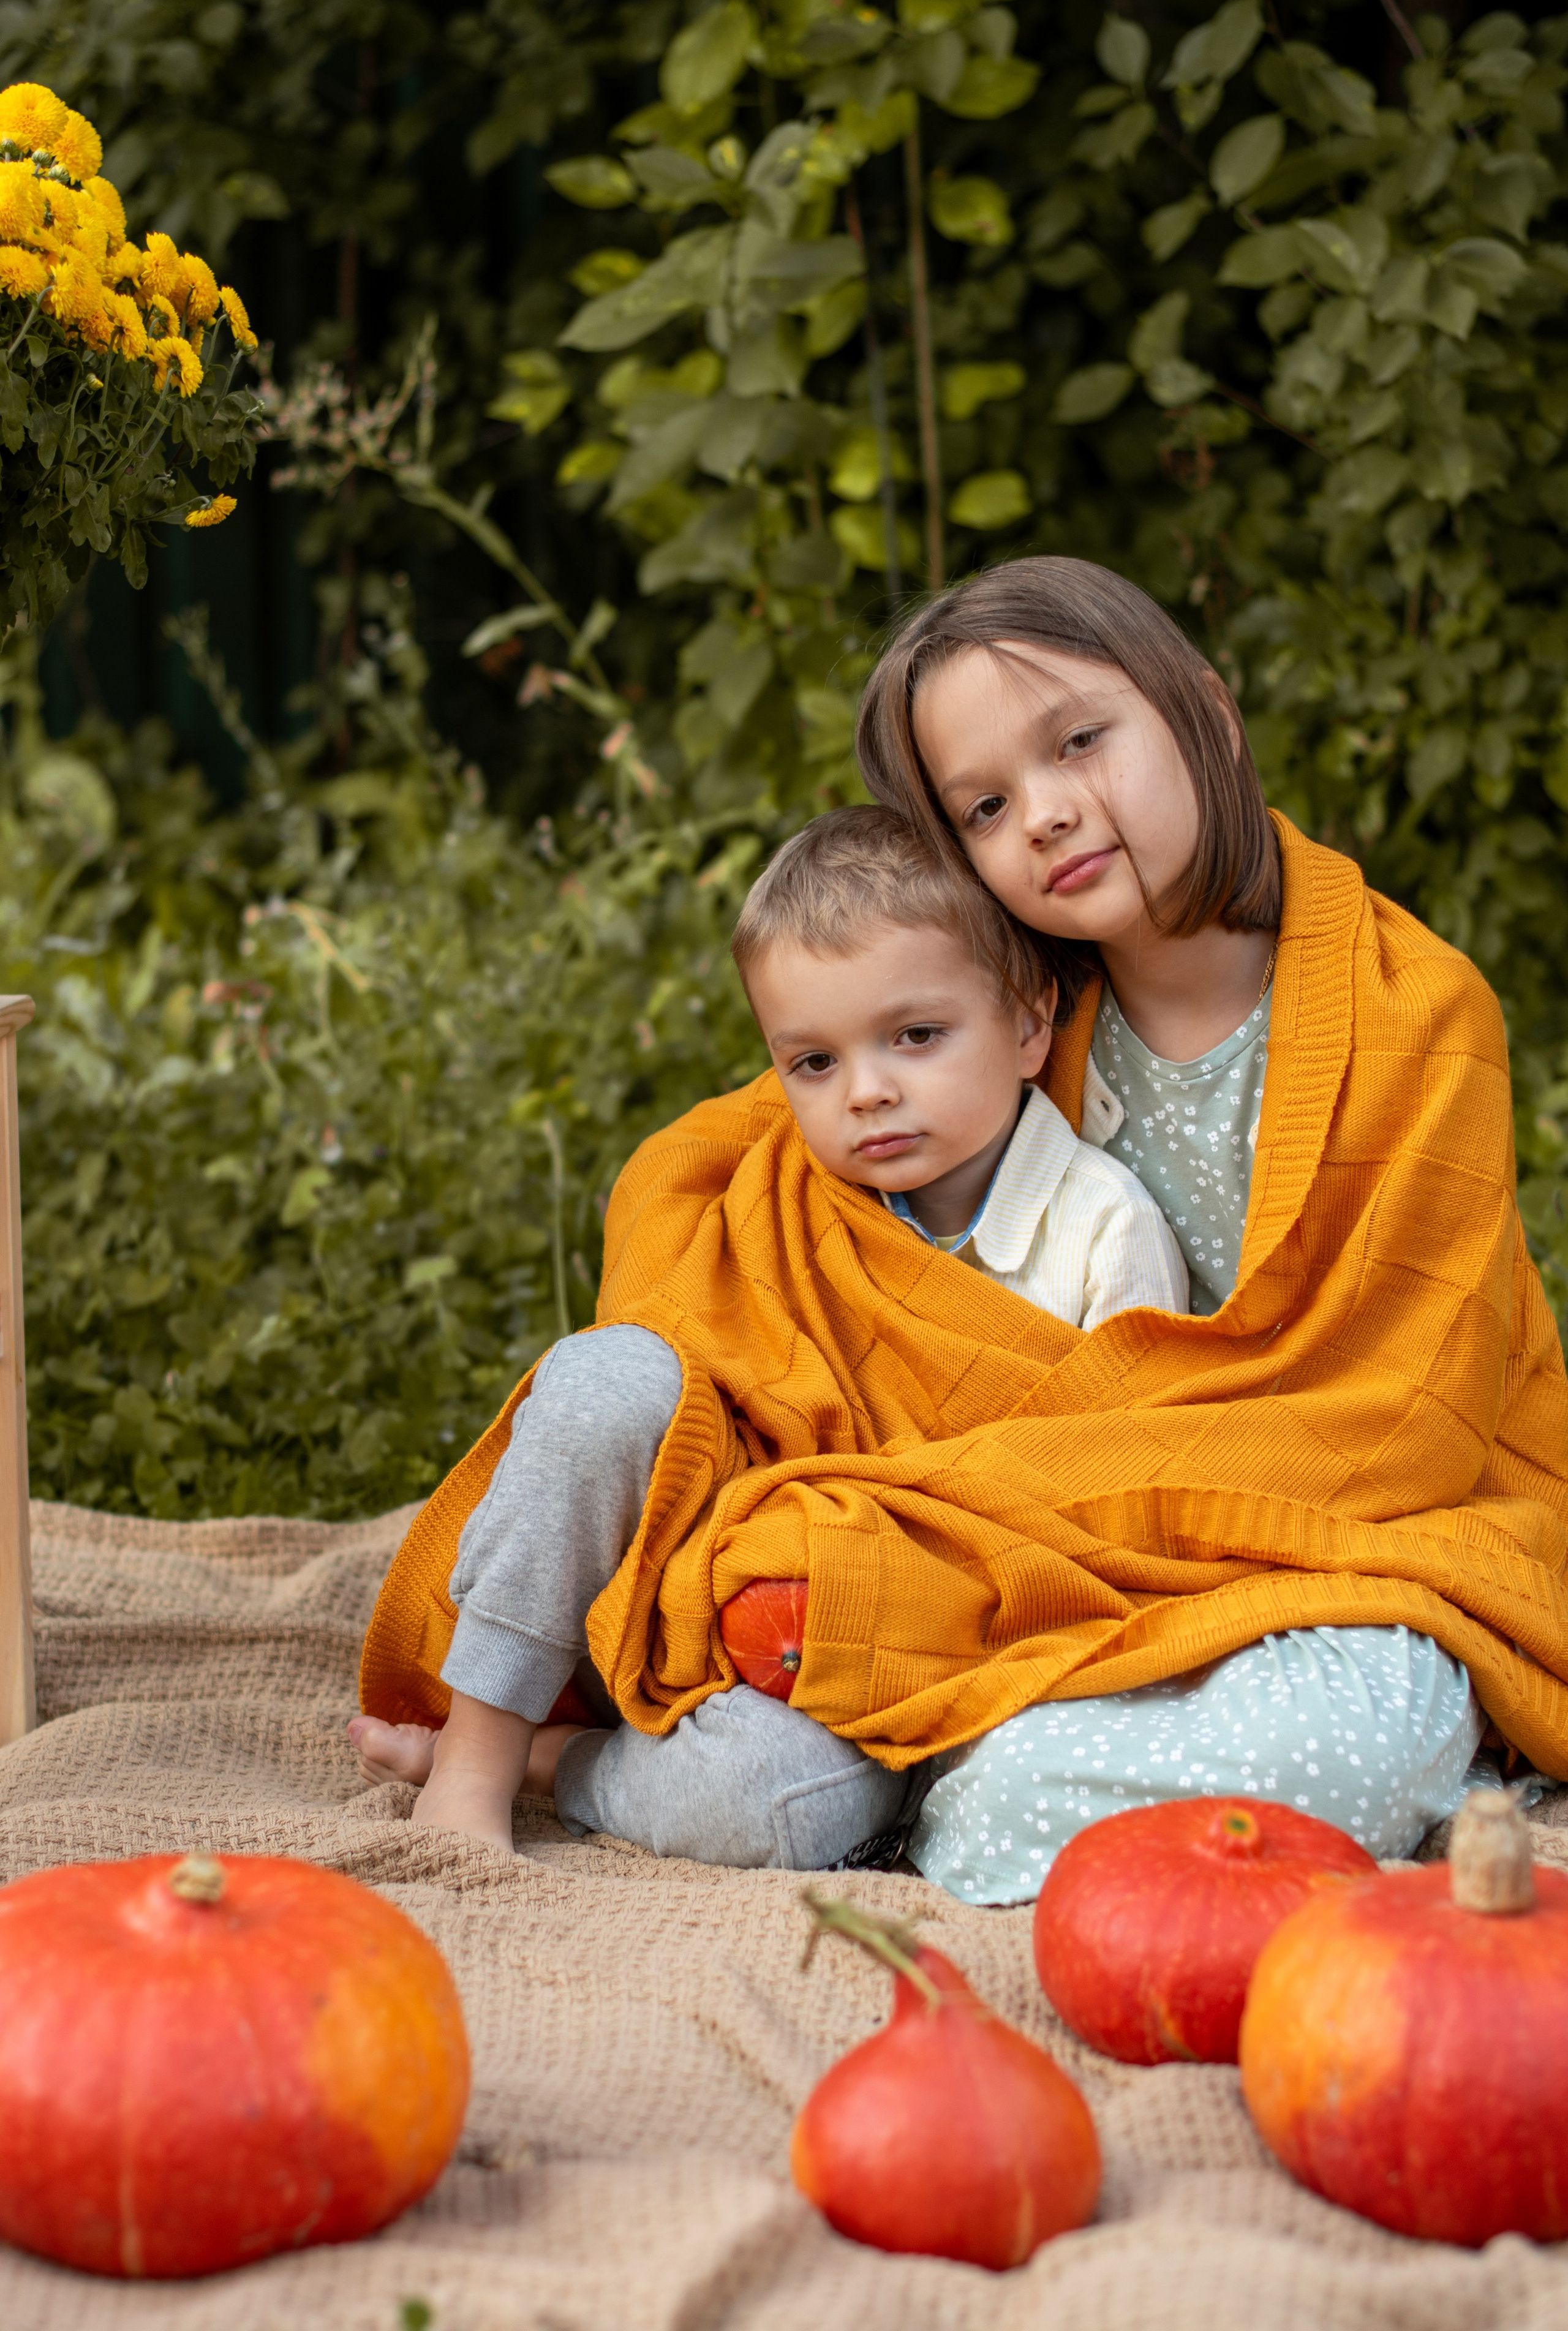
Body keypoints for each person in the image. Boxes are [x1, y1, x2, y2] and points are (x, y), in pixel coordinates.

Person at [852, 554, 1564, 1899]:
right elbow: (777, 1158)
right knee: (815, 1586)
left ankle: (970, 1770)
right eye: (988, 806)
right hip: (1096, 1551)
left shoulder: (1418, 1014)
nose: (1049, 815)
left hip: (1372, 1551)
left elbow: (1410, 1416)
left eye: (1079, 743)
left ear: (1203, 714)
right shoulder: (1015, 1031)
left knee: (1313, 1752)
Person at [349, 804, 1188, 1857]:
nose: (869, 1093)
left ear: (1028, 1024)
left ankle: (555, 1763)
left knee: (781, 1806)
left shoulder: (1104, 1233)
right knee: (607, 1378)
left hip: (898, 1661)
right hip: (683, 1579)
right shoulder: (776, 1199)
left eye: (916, 1037)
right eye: (813, 1063)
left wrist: (844, 1569)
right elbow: (690, 1409)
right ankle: (476, 1753)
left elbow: (1108, 1507)